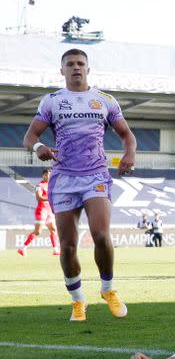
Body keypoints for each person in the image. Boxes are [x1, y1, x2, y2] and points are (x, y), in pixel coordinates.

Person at [23, 48, 136, 322]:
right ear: (62, 70)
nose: (76, 68)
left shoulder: (104, 101)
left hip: (96, 175)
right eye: (70, 64)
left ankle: (108, 289)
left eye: (81, 64)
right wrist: (38, 146)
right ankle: (78, 300)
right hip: (63, 179)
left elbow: (126, 135)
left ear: (88, 69)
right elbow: (30, 136)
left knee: (100, 234)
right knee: (68, 246)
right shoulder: (52, 102)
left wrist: (129, 153)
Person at [18, 167, 60, 256]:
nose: (48, 176)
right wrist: (50, 198)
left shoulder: (52, 185)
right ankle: (23, 248)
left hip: (49, 211)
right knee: (38, 232)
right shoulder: (40, 186)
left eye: (49, 174)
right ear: (43, 176)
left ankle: (55, 250)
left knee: (53, 229)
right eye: (46, 174)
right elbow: (39, 197)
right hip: (42, 211)